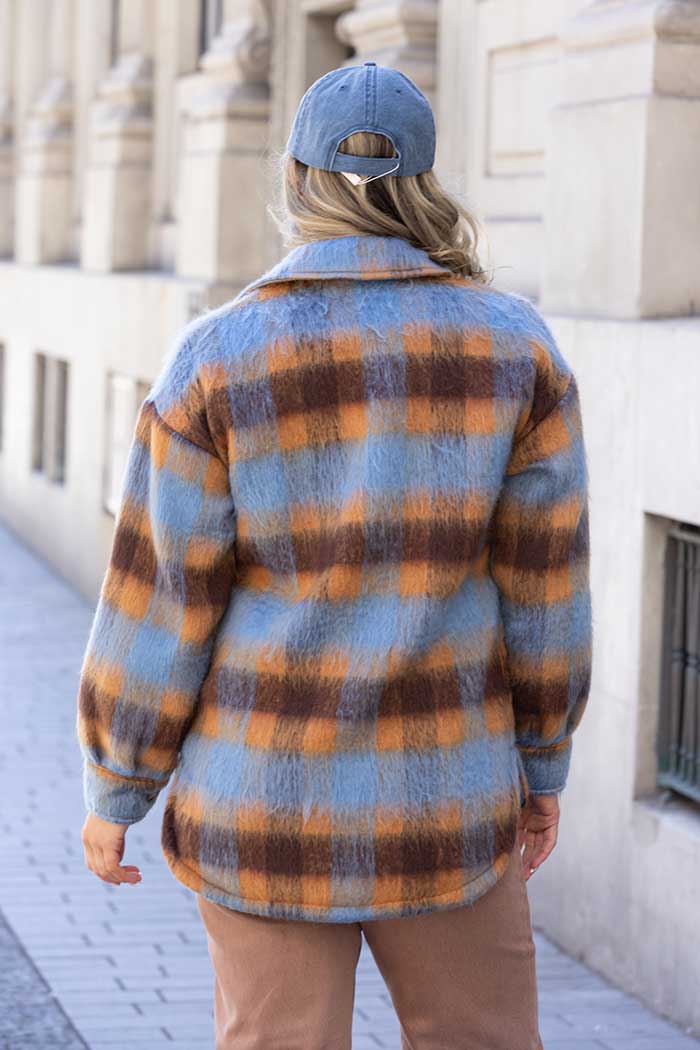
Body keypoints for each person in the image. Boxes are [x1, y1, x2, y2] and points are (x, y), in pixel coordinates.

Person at [76, 60, 592, 1050]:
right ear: (425, 182)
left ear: (295, 178)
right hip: (448, 804)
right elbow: (546, 592)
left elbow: (163, 599)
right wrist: (541, 764)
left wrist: (116, 786)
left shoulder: (214, 360)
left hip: (262, 809)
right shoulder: (516, 352)